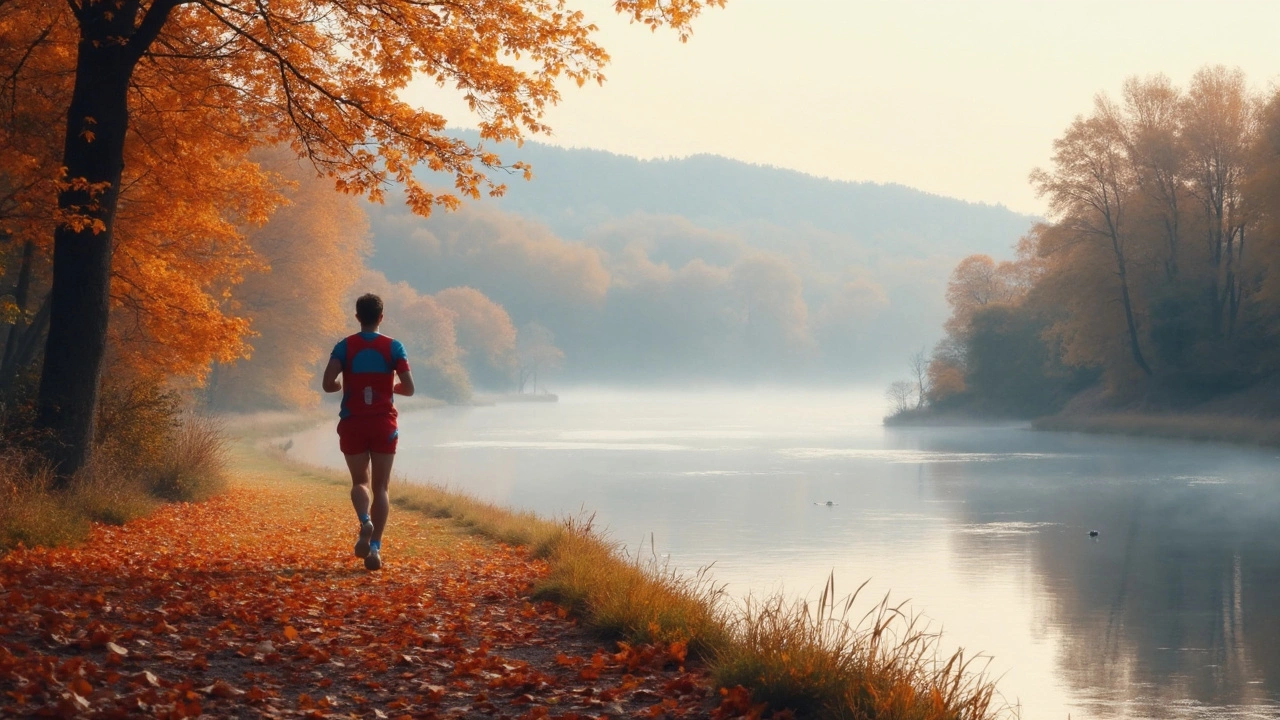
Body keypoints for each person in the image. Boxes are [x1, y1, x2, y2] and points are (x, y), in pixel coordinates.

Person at [322, 293, 414, 570]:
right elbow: (409, 388)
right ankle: (375, 548)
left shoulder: (344, 347)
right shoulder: (394, 347)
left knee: (360, 482)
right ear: (381, 317)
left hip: (353, 423)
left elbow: (328, 384)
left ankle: (365, 521)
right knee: (381, 487)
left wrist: (340, 386)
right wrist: (392, 387)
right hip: (384, 423)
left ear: (357, 317)